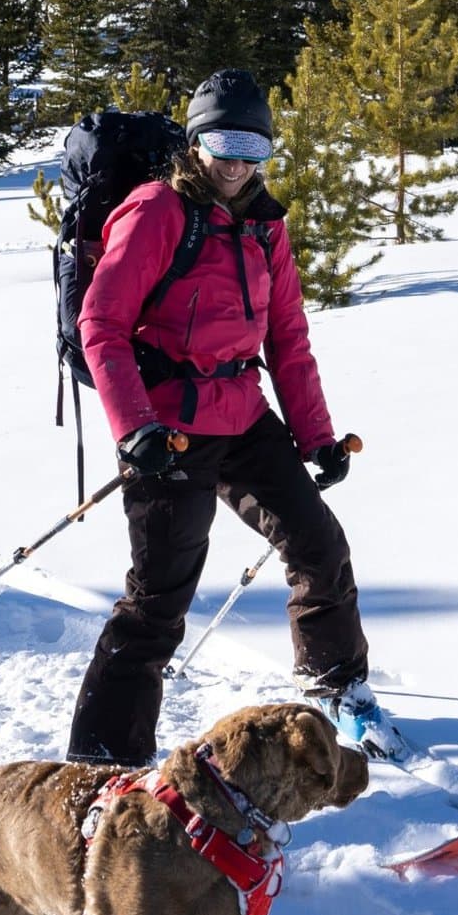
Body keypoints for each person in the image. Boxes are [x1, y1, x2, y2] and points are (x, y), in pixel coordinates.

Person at [64, 68, 396, 767]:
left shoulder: (265, 226)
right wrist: (135, 428)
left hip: (244, 415)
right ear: (195, 141)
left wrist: (317, 436)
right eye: (223, 142)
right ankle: (101, 761)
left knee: (318, 543)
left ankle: (335, 685)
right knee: (159, 600)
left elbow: (288, 337)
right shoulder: (156, 211)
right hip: (168, 429)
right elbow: (102, 321)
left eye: (254, 145)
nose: (238, 162)